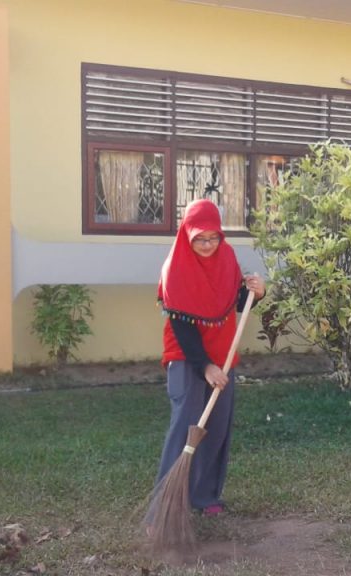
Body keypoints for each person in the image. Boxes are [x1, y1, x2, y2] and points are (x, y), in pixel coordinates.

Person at [155, 199, 265, 517]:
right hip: (187, 359)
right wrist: (204, 366)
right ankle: (165, 507)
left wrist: (256, 293)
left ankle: (204, 497)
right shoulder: (175, 266)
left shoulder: (226, 258)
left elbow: (234, 303)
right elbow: (182, 326)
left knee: (216, 427)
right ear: (187, 235)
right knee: (186, 427)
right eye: (199, 238)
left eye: (212, 237)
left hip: (223, 356)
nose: (206, 244)